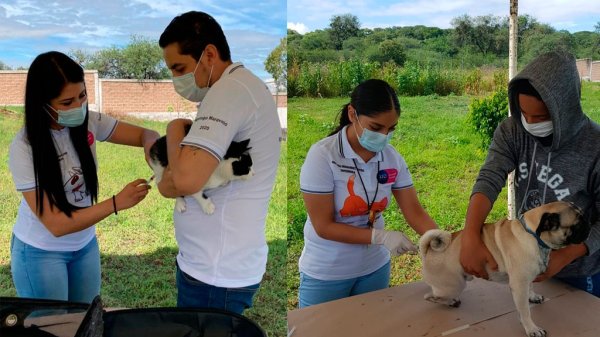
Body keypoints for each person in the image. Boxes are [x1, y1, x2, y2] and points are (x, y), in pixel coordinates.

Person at [8, 51, 159, 303]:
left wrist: (151, 145)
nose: (78, 107)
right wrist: (115, 203)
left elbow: (147, 133)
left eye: (82, 96)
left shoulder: (89, 122)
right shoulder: (25, 146)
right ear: (42, 103)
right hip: (41, 252)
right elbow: (57, 224)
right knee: (52, 327)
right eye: (66, 103)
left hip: (84, 246)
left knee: (85, 319)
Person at [156, 11, 281, 314]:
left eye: (179, 67)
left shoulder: (229, 91)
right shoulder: (240, 87)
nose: (175, 79)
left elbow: (183, 181)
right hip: (216, 266)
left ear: (209, 54)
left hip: (215, 275)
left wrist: (174, 130)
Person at [460, 50, 600, 296]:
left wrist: (565, 255)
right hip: (527, 258)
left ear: (564, 109)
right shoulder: (513, 130)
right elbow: (490, 178)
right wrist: (470, 235)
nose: (531, 123)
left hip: (579, 269)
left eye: (542, 117)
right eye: (525, 114)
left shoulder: (594, 145)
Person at [297, 79, 438, 308]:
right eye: (376, 127)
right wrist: (380, 237)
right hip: (327, 272)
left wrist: (442, 243)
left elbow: (414, 211)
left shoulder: (391, 158)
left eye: (391, 129)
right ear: (353, 114)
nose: (384, 136)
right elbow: (323, 226)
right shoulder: (323, 156)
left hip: (374, 268)